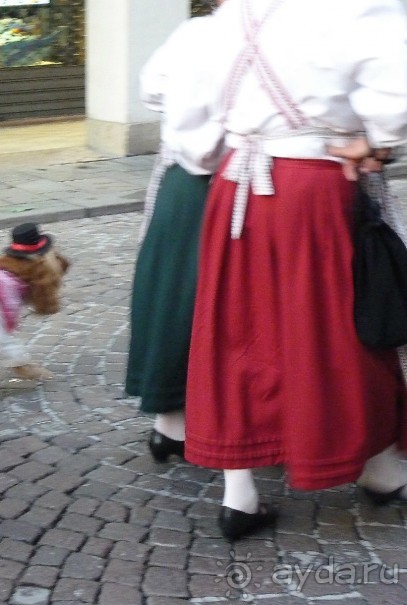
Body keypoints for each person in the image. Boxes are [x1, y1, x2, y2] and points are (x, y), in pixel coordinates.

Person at [182, 0, 407, 541]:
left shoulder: (224, 15)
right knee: (341, 332)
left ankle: (239, 496)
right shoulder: (352, 6)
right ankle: (380, 469)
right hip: (315, 186)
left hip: (236, 185)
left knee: (235, 335)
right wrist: (378, 142)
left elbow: (193, 129)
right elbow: (399, 84)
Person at [124, 0, 226, 463]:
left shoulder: (192, 33)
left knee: (172, 296)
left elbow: (153, 90)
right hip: (230, 183)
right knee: (212, 302)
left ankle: (170, 425)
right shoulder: (259, 33)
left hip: (182, 183)